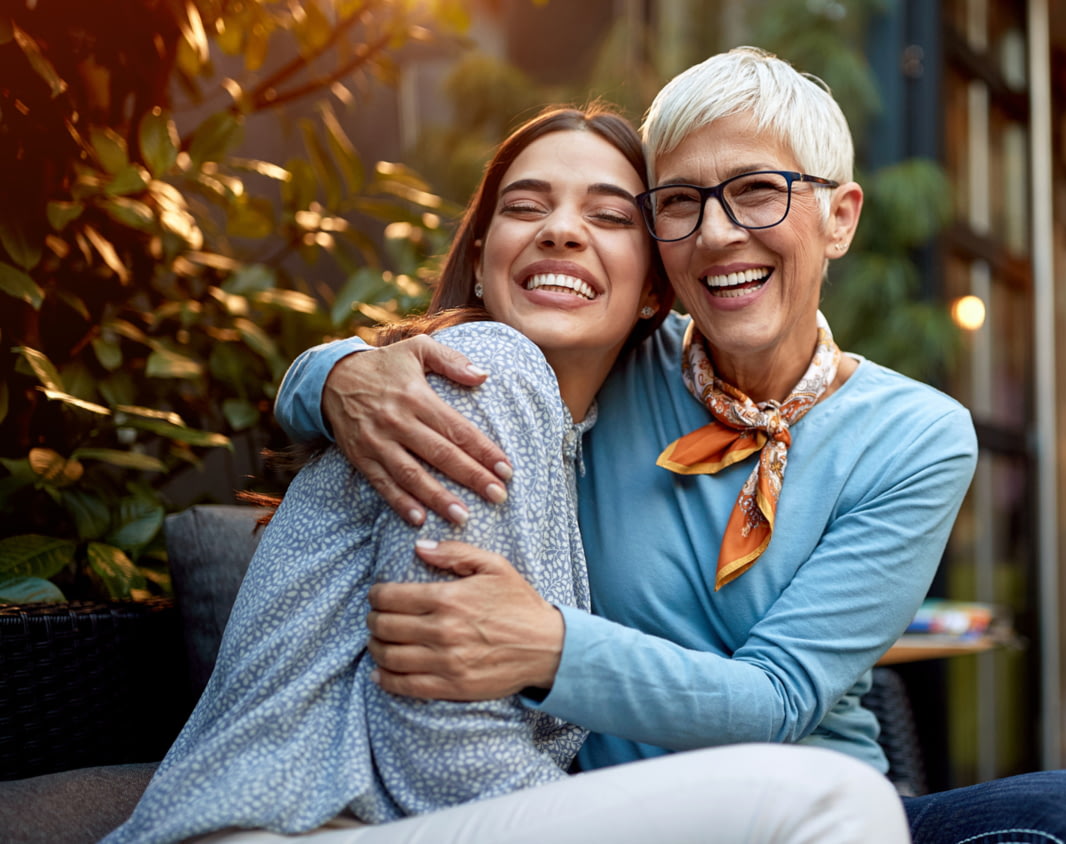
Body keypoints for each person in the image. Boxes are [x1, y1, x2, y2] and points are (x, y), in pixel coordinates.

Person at [278, 48, 1066, 843]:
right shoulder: (610, 364)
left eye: (757, 190)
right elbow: (481, 339)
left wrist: (550, 647)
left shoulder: (917, 436)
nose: (717, 235)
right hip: (616, 810)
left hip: (822, 797)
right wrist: (332, 376)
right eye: (678, 203)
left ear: (840, 216)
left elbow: (783, 699)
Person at [107, 104, 910, 844]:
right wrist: (332, 372)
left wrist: (324, 372)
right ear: (483, 260)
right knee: (837, 801)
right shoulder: (489, 369)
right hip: (289, 824)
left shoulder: (576, 431)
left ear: (655, 292)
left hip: (377, 819)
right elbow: (443, 750)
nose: (561, 231)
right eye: (525, 207)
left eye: (608, 215)